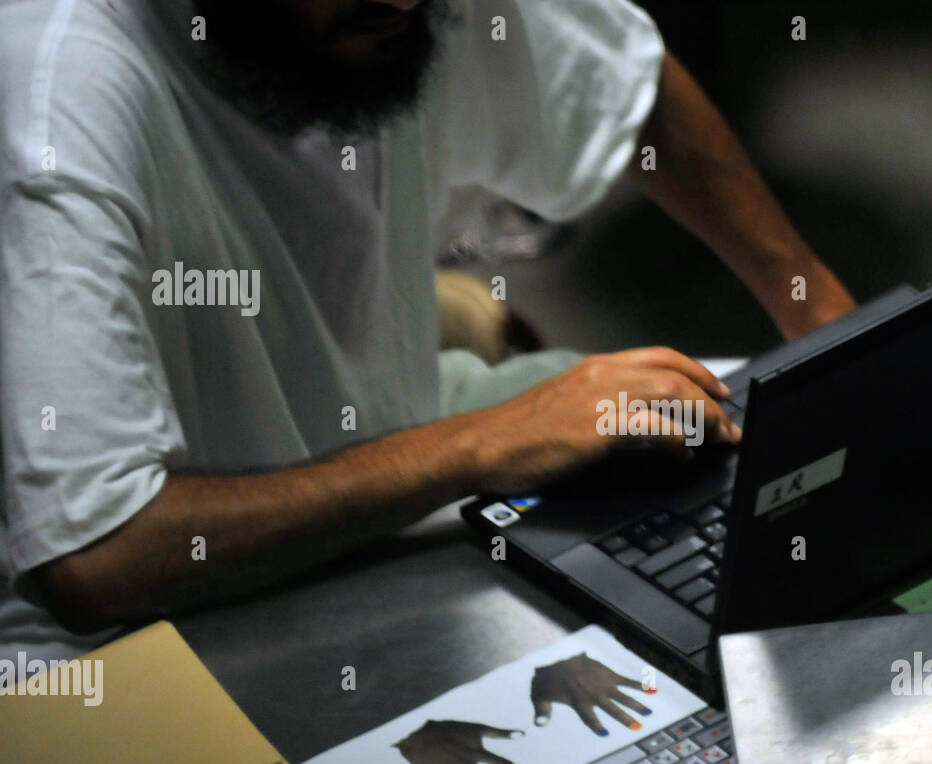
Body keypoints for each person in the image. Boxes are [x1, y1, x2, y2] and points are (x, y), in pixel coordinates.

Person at [0, 0, 855, 651]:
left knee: (749, 447)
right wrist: (492, 441)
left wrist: (817, 310)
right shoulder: (65, 99)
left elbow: (629, 87)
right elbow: (98, 555)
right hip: (137, 629)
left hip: (398, 433)